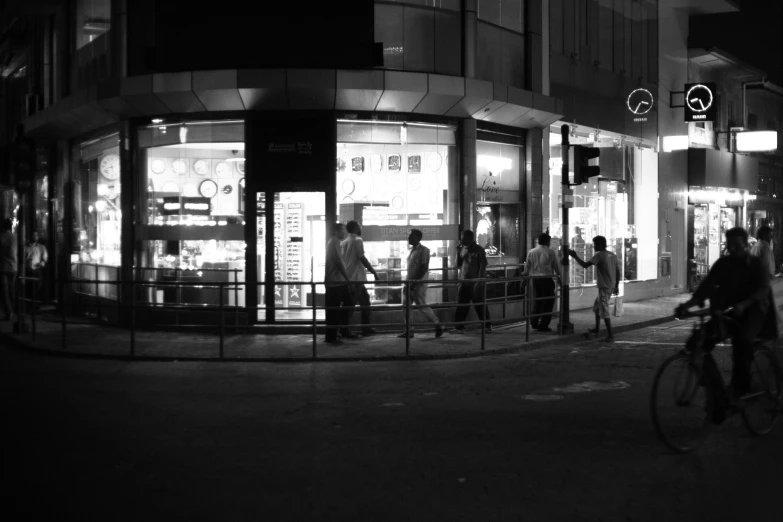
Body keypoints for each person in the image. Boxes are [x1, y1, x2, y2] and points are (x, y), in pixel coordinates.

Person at [675, 227, 776, 413]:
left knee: (742, 342)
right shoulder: (723, 264)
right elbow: (705, 288)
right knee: (698, 341)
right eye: (730, 245)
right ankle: (714, 388)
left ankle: (741, 388)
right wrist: (687, 306)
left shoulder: (755, 265)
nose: (734, 249)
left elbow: (763, 290)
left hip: (754, 312)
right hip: (729, 312)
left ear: (746, 245)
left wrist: (745, 305)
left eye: (737, 245)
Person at [568, 235, 620, 342]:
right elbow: (618, 272)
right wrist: (616, 286)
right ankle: (596, 329)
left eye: (595, 244)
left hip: (604, 287)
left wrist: (575, 256)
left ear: (600, 244)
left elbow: (585, 265)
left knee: (604, 310)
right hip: (610, 286)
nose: (593, 246)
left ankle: (610, 336)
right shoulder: (612, 255)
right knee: (597, 307)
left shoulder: (599, 255)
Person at [399, 229, 443, 339]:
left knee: (421, 305)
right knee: (406, 306)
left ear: (417, 238)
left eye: (410, 236)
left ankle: (437, 324)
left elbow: (423, 268)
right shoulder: (411, 250)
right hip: (409, 282)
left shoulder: (424, 250)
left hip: (418, 284)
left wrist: (415, 283)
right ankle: (409, 330)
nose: (408, 238)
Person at [342, 220, 379, 336]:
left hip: (349, 277)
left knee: (365, 301)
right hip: (356, 278)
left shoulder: (344, 242)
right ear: (354, 228)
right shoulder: (358, 240)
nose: (361, 228)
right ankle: (346, 330)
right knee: (352, 304)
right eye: (359, 226)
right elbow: (362, 258)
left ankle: (365, 328)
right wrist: (374, 272)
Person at [452, 229, 491, 334]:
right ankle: (458, 327)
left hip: (475, 282)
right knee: (462, 305)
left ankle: (487, 325)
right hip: (464, 281)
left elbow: (483, 267)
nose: (461, 240)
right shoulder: (463, 249)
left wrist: (479, 281)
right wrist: (457, 251)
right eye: (461, 238)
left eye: (463, 238)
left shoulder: (479, 250)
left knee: (480, 305)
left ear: (469, 238)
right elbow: (457, 264)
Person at [522, 233, 562, 332]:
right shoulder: (551, 252)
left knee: (538, 300)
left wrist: (524, 279)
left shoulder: (531, 252)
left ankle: (534, 321)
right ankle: (543, 325)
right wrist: (561, 280)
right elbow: (558, 268)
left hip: (535, 280)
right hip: (547, 279)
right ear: (547, 242)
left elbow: (527, 268)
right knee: (548, 302)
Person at [324, 223, 353, 344]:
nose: (344, 233)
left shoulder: (334, 242)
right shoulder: (334, 243)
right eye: (342, 231)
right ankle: (332, 335)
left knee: (347, 303)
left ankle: (339, 330)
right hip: (336, 282)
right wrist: (348, 279)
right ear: (336, 231)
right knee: (335, 309)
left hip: (338, 281)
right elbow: (339, 262)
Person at [0, 218, 17, 321]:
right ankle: (14, 310)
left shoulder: (2, 237)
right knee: (12, 290)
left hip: (3, 267)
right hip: (14, 267)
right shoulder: (14, 237)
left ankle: (9, 312)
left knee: (4, 291)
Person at [25, 230, 48, 308]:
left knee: (37, 288)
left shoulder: (41, 247)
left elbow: (45, 258)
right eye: (33, 235)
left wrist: (42, 263)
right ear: (31, 236)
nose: (35, 237)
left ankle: (36, 306)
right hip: (28, 270)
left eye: (36, 235)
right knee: (29, 288)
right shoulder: (26, 247)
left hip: (37, 270)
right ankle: (30, 306)